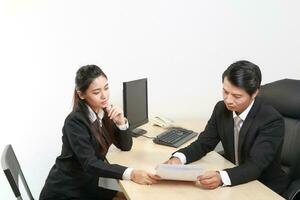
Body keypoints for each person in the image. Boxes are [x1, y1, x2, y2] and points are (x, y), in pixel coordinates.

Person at [165, 60, 289, 195]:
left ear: (254, 93)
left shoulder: (271, 120)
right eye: (225, 91)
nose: (228, 100)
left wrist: (221, 177)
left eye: (237, 96)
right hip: (234, 179)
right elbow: (204, 143)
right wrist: (179, 158)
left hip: (264, 185)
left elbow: (255, 165)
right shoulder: (221, 109)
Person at [40, 65, 159, 200]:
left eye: (106, 88)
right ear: (81, 94)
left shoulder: (104, 112)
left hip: (87, 187)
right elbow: (90, 163)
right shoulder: (74, 122)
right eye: (96, 92)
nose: (104, 96)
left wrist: (121, 122)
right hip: (67, 191)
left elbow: (125, 146)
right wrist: (131, 174)